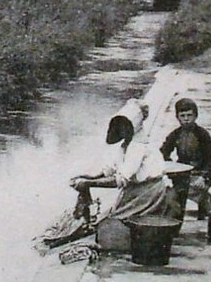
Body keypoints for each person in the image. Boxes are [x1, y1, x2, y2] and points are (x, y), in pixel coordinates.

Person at [68, 97, 171, 250]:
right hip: (135, 191)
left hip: (149, 192)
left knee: (112, 223)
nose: (122, 130)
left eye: (126, 126)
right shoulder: (125, 145)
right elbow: (109, 170)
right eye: (120, 126)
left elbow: (121, 179)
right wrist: (88, 177)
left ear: (134, 125)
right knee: (108, 219)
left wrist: (89, 184)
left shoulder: (138, 146)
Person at [160, 97, 211, 221]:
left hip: (200, 174)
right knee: (173, 198)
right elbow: (163, 152)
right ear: (177, 117)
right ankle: (175, 222)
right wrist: (170, 166)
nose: (186, 119)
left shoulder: (202, 135)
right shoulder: (175, 134)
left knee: (203, 197)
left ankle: (205, 219)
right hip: (182, 174)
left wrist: (204, 177)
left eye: (189, 115)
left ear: (195, 116)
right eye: (182, 116)